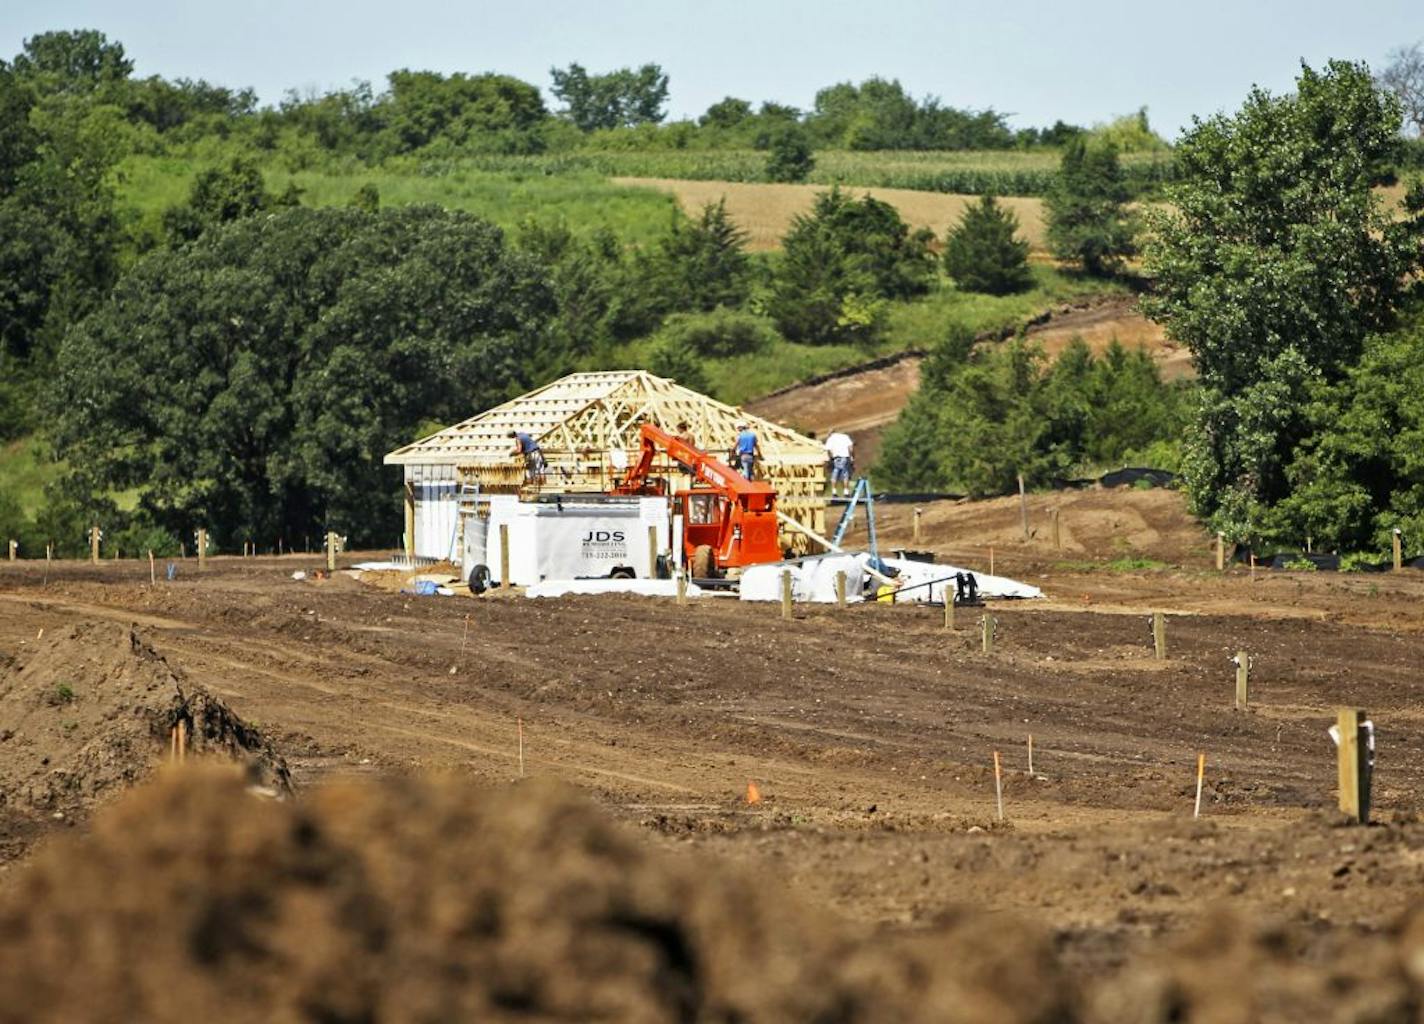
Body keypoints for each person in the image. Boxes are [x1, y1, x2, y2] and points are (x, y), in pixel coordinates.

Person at [823, 428, 855, 497]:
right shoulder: (845, 436)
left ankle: (834, 493)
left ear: (830, 433)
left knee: (834, 474)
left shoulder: (831, 438)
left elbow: (827, 449)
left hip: (836, 458)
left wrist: (830, 458)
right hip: (845, 457)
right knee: (845, 475)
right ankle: (846, 492)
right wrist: (851, 457)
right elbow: (850, 448)